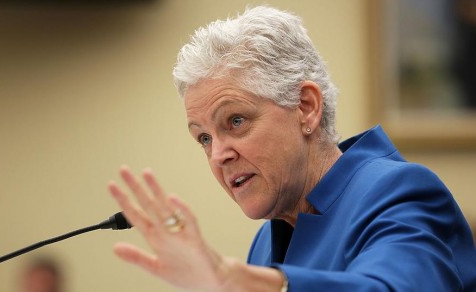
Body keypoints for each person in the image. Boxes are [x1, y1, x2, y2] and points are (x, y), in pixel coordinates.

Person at [108, 6, 476, 291]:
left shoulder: (400, 193)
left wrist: (237, 280)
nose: (218, 154)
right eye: (204, 138)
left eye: (235, 121)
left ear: (306, 107)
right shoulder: (266, 242)